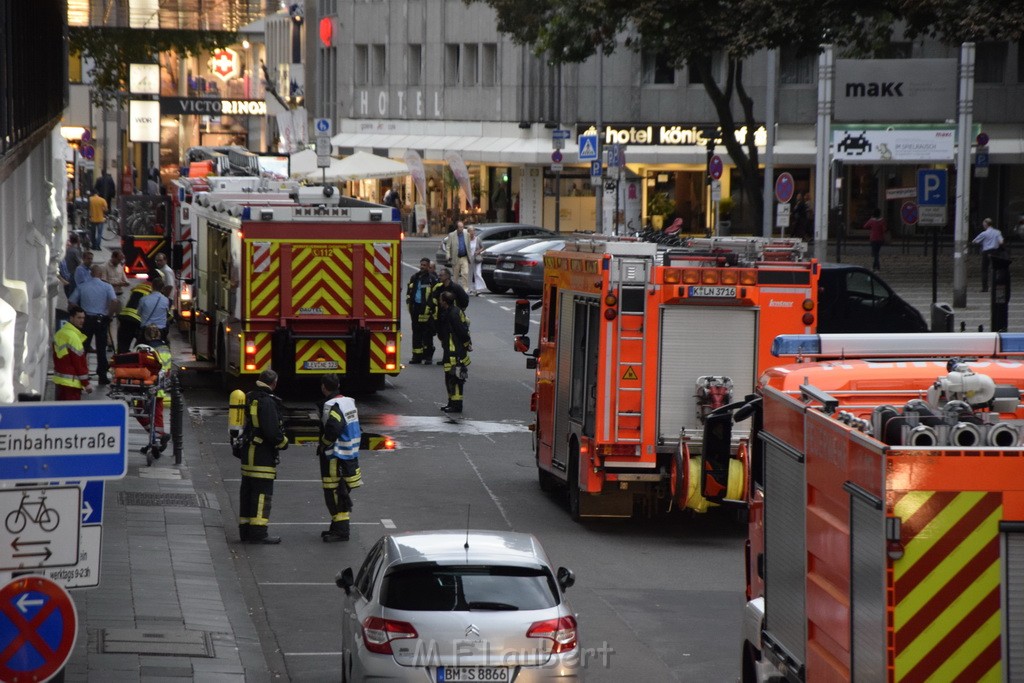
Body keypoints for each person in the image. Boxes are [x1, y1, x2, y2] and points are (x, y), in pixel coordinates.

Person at [238, 369, 289, 544]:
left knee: (247, 493)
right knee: (261, 495)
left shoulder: (250, 396)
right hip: (262, 456)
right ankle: (258, 533)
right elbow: (272, 431)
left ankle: (245, 531)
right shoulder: (267, 402)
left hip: (248, 454)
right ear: (274, 383)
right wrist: (283, 443)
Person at [317, 373, 363, 542]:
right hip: (349, 454)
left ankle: (342, 531)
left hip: (336, 456)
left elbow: (334, 428)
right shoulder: (348, 402)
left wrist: (324, 443)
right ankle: (336, 527)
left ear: (324, 387)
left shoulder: (332, 405)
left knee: (335, 493)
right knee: (340, 491)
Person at [70, 264, 120, 385]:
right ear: (101, 274)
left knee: (83, 347)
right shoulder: (107, 287)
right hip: (101, 319)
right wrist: (109, 315)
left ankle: (80, 372)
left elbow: (71, 301)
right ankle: (102, 374)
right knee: (101, 348)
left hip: (86, 320)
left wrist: (79, 313)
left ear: (91, 273)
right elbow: (114, 301)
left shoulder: (82, 286)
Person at [132, 325, 172, 455]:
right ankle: (155, 440)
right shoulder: (166, 349)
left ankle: (157, 436)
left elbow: (140, 369)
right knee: (157, 417)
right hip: (160, 388)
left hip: (147, 387)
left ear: (146, 336)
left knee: (139, 411)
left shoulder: (146, 350)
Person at [437, 291, 471, 413]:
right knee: (449, 378)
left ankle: (457, 405)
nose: (439, 301)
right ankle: (451, 402)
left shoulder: (453, 313)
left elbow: (462, 331)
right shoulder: (449, 311)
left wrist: (467, 344)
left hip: (455, 352)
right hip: (450, 350)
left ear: (445, 302)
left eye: (441, 299)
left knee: (455, 379)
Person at [52, 305, 93, 400]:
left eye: (83, 318)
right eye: (79, 318)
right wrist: (86, 383)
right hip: (71, 384)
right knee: (71, 413)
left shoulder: (60, 333)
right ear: (71, 318)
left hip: (60, 381)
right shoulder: (73, 337)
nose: (82, 320)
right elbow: (79, 363)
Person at [406, 257, 438, 364]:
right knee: (416, 334)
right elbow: (409, 293)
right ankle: (416, 357)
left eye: (424, 265)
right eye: (421, 265)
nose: (422, 267)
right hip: (416, 309)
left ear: (429, 266)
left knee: (427, 334)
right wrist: (410, 305)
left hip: (427, 311)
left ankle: (428, 357)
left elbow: (434, 296)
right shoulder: (414, 277)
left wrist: (430, 308)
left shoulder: (432, 279)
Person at [117, 279, 153, 353]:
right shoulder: (153, 291)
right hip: (137, 319)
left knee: (123, 345)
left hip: (125, 317)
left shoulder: (140, 286)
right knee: (142, 346)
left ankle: (121, 360)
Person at [972, 217, 1005, 292]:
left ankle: (985, 287)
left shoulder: (984, 233)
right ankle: (996, 286)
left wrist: (982, 242)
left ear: (986, 224)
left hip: (986, 252)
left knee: (984, 269)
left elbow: (975, 241)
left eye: (984, 224)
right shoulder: (997, 232)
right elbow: (1001, 242)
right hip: (995, 251)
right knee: (996, 269)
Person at [137, 278, 172, 342]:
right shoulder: (165, 300)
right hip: (161, 330)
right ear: (162, 288)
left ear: (152, 286)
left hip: (146, 330)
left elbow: (139, 313)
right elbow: (167, 312)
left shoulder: (143, 299)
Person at [445, 221, 472, 290]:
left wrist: (470, 255)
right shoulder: (451, 235)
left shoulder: (466, 234)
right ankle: (455, 289)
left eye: (462, 227)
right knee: (456, 276)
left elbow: (468, 245)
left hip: (464, 257)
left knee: (465, 273)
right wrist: (448, 255)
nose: (462, 228)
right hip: (455, 257)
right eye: (460, 227)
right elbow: (448, 247)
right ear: (457, 228)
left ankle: (465, 289)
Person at [467, 227, 483, 295]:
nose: (472, 233)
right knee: (469, 274)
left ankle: (478, 289)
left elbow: (482, 247)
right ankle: (469, 289)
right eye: (470, 231)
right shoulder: (467, 240)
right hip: (469, 258)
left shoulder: (477, 239)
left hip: (476, 258)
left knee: (477, 273)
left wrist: (478, 251)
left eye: (473, 231)